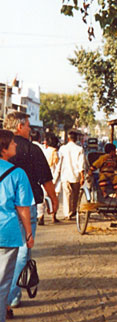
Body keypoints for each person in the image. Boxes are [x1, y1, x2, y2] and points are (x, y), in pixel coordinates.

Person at [3, 111, 58, 310]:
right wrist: (54, 198)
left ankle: (7, 297)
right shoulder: (32, 150)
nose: (29, 130)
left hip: (4, 208)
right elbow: (45, 178)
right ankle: (10, 298)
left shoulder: (5, 150)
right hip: (27, 206)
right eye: (27, 126)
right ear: (19, 127)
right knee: (22, 252)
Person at [0, 130, 34, 322]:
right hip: (6, 233)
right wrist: (28, 234)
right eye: (13, 143)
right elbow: (23, 209)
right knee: (2, 285)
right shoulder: (17, 173)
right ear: (3, 148)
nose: (16, 145)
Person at [58, 131, 84, 220]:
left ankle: (67, 213)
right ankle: (73, 210)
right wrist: (82, 176)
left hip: (65, 175)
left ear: (68, 139)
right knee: (75, 194)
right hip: (76, 175)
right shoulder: (79, 149)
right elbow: (81, 164)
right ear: (76, 139)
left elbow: (59, 163)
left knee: (67, 194)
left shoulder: (62, 148)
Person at [30, 131, 47, 226]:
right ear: (39, 138)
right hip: (40, 175)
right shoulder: (42, 148)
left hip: (30, 176)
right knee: (41, 196)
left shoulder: (28, 147)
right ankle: (40, 215)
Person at [44, 132, 61, 223]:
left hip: (44, 179)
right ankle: (53, 216)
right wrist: (54, 180)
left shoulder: (44, 152)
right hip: (55, 179)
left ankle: (41, 216)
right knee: (55, 197)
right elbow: (58, 169)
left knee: (44, 198)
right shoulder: (58, 154)